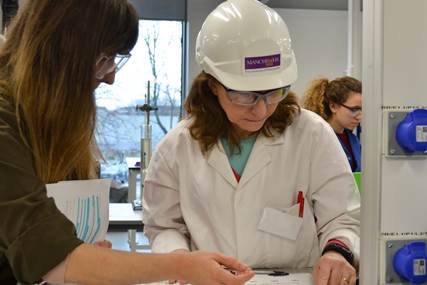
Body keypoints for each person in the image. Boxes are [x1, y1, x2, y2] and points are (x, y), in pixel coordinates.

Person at [0, 0, 255, 284]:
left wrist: (87, 256)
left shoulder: (38, 118)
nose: (110, 76)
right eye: (105, 58)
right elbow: (49, 256)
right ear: (62, 50)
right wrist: (181, 265)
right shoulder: (5, 122)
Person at [142, 1, 361, 285]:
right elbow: (162, 225)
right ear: (213, 86)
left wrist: (337, 253)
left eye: (273, 93)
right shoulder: (178, 146)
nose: (261, 110)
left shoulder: (311, 134)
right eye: (245, 96)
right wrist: (181, 261)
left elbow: (342, 217)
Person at [303, 76, 362, 172]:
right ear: (333, 106)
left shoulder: (353, 140)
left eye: (361, 109)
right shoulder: (317, 138)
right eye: (354, 109)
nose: (359, 117)